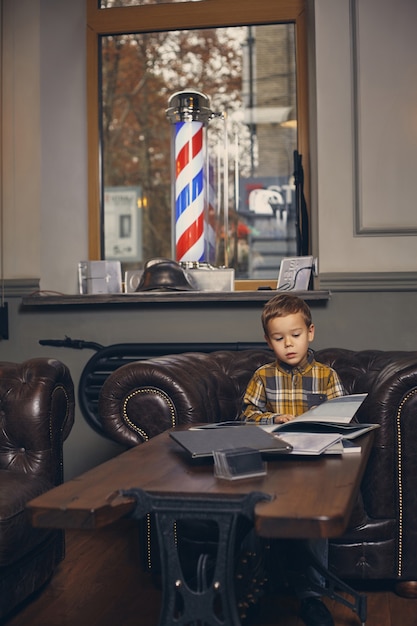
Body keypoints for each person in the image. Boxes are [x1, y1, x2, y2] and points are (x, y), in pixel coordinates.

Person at [241, 293, 345, 626]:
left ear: (310, 332)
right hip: (273, 463)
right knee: (251, 513)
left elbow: (345, 418)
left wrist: (324, 418)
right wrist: (274, 419)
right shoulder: (262, 376)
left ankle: (312, 596)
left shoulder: (327, 376)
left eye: (295, 335)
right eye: (278, 338)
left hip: (313, 466)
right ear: (268, 341)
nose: (288, 344)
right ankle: (250, 594)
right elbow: (246, 417)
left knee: (315, 520)